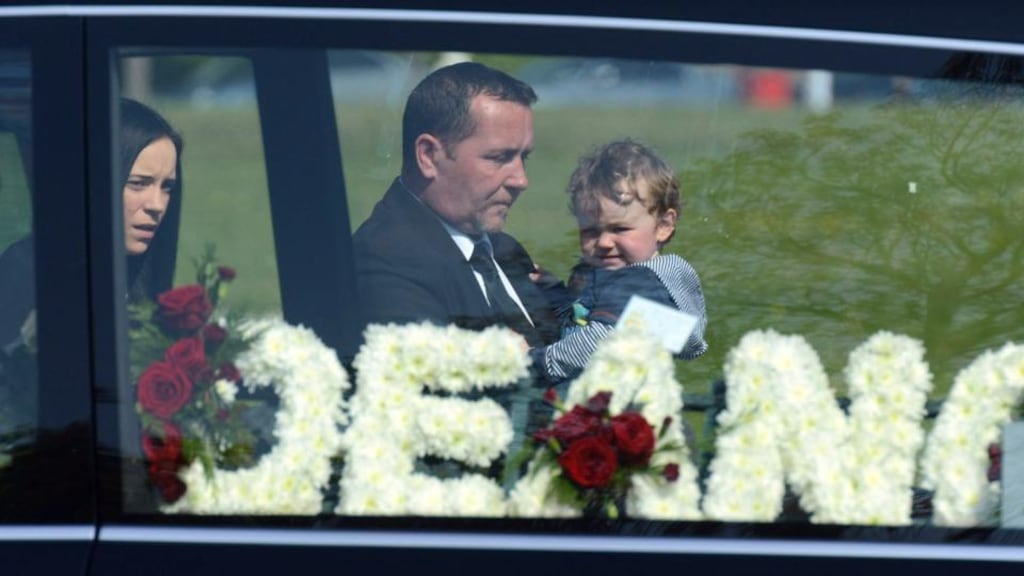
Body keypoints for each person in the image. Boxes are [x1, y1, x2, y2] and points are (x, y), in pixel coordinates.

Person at [350, 62, 563, 356]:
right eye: (499, 157)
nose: (521, 180)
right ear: (428, 156)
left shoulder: (503, 251)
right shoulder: (384, 266)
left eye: (523, 157)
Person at [0, 97, 183, 347]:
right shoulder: (27, 269)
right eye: (138, 183)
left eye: (167, 187)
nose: (157, 205)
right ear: (96, 182)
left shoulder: (141, 273)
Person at [531, 139, 708, 383]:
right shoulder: (606, 272)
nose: (603, 242)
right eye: (591, 231)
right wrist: (556, 294)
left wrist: (532, 363)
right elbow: (581, 317)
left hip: (620, 411)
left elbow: (600, 342)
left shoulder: (645, 285)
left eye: (620, 229)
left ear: (664, 226)